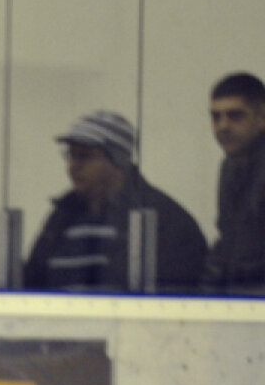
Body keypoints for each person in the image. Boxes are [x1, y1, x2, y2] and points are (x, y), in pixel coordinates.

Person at [23, 110, 207, 293]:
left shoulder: (160, 219)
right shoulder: (63, 214)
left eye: (85, 156)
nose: (73, 166)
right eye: (71, 155)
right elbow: (31, 282)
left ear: (117, 161)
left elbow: (177, 302)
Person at [203, 72, 265, 294]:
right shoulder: (230, 166)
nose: (223, 126)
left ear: (261, 118)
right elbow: (228, 242)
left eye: (235, 116)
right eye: (216, 117)